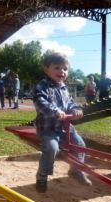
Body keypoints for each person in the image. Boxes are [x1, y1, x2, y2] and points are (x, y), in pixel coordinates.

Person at [32, 52, 92, 193]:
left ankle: (75, 170)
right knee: (52, 149)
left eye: (65, 69)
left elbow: (70, 104)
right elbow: (40, 102)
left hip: (65, 127)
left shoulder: (65, 88)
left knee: (80, 144)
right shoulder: (42, 86)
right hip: (48, 128)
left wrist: (76, 109)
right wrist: (55, 111)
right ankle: (42, 176)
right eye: (57, 68)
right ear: (46, 69)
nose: (62, 72)